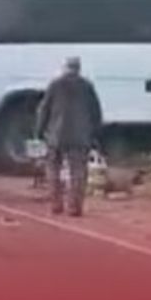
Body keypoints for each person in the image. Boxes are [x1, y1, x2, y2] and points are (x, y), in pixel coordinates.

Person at [35, 57, 103, 217]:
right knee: (78, 172)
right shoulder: (87, 86)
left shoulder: (55, 84)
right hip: (80, 137)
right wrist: (95, 134)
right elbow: (96, 113)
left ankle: (56, 204)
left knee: (53, 169)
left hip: (56, 135)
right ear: (79, 68)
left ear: (65, 67)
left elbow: (44, 109)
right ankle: (74, 207)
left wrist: (39, 132)